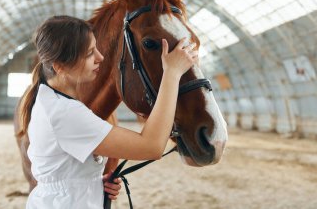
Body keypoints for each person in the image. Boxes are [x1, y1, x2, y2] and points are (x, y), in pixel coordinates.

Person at [17, 15, 198, 209]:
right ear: (60, 67)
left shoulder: (52, 100)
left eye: (96, 48)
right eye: (88, 54)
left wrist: (91, 184)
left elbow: (63, 169)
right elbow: (151, 147)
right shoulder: (65, 113)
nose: (100, 58)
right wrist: (172, 73)